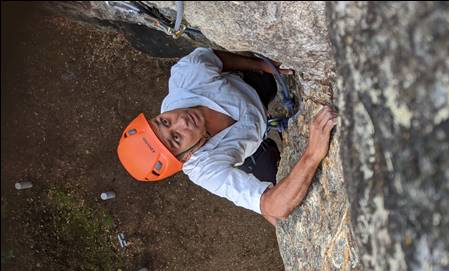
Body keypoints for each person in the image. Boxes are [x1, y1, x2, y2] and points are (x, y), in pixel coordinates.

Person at [118, 48, 337, 226]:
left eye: (164, 121)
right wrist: (312, 154)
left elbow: (213, 58)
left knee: (267, 82)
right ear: (186, 157)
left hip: (250, 87)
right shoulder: (204, 169)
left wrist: (262, 65)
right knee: (278, 206)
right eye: (176, 138)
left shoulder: (186, 78)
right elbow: (275, 206)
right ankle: (268, 148)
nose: (181, 121)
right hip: (249, 153)